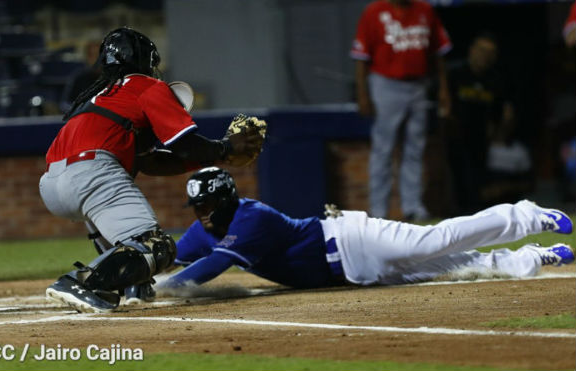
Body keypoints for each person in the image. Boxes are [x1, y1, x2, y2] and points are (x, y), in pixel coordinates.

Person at [40, 27, 264, 313]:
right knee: (157, 246)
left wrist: (216, 155)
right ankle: (83, 282)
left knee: (129, 239)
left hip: (53, 185)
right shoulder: (147, 86)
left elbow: (152, 161)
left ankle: (135, 283)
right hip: (92, 174)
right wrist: (225, 149)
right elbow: (185, 145)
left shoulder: (96, 98)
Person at [156, 167, 573, 291]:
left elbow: (210, 268)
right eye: (199, 206)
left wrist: (163, 290)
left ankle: (525, 215)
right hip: (350, 273)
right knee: (450, 266)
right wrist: (121, 275)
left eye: (209, 204)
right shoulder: (201, 229)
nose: (204, 212)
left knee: (437, 239)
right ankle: (530, 258)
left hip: (351, 239)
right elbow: (170, 256)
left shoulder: (251, 217)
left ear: (226, 200)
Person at [350, 0, 452, 221]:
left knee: (415, 148)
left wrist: (443, 89)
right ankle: (378, 211)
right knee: (383, 150)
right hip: (386, 83)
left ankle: (413, 207)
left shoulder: (424, 9)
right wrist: (363, 93)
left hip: (419, 84)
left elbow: (438, 53)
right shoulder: (374, 12)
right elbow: (361, 57)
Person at [444, 32, 523, 215]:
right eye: (481, 50)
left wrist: (498, 131)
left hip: (483, 137)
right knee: (456, 174)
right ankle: (457, 212)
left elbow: (503, 110)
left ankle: (479, 213)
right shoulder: (456, 74)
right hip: (456, 133)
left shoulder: (496, 80)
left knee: (480, 177)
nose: (485, 56)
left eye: (490, 52)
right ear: (471, 51)